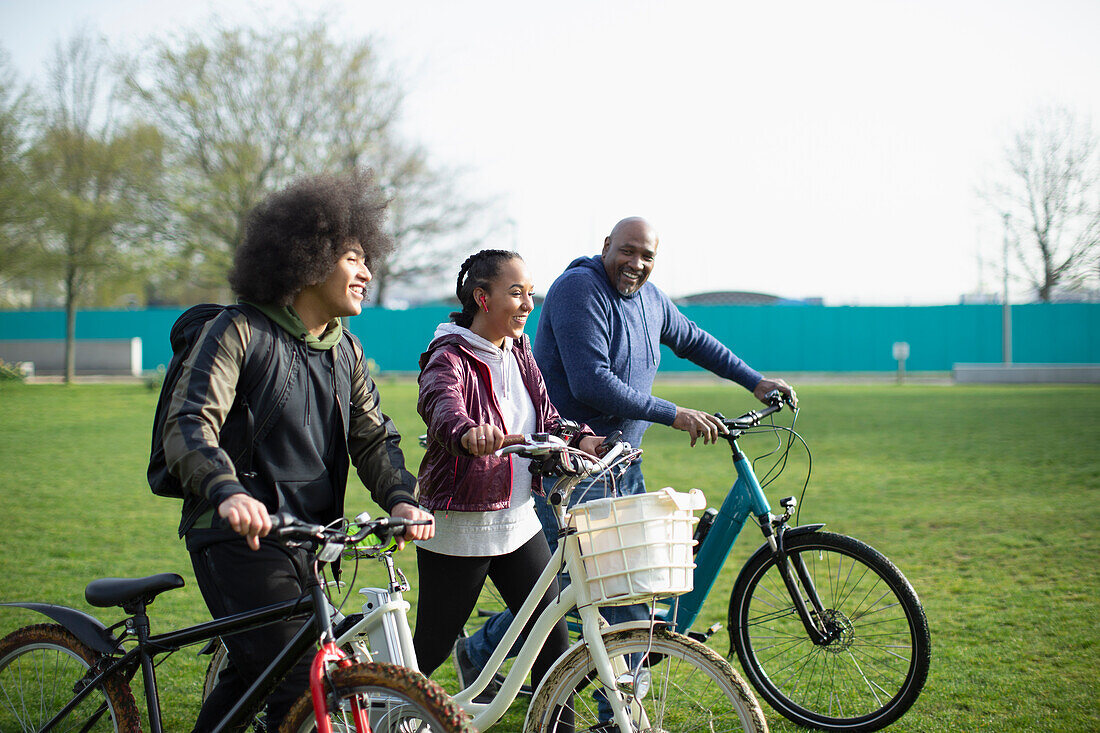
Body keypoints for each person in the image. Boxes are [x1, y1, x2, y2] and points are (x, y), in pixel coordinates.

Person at [459, 216, 797, 688]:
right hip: (569, 467)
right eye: (627, 251)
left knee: (585, 589)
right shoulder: (579, 290)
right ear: (606, 246)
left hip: (621, 463)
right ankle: (619, 708)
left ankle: (481, 651)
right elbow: (591, 381)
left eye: (647, 256)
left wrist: (754, 380)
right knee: (599, 591)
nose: (635, 263)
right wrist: (672, 413)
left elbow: (693, 340)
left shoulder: (652, 300)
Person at [162, 170, 434, 733]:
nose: (367, 273)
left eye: (367, 258)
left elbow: (374, 437)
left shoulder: (346, 350)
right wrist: (228, 490)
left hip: (309, 540)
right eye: (353, 258)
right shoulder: (238, 330)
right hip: (236, 536)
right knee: (304, 688)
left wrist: (402, 500)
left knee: (254, 676)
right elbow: (189, 423)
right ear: (307, 259)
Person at [412, 249, 604, 710]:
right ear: (482, 297)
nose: (526, 304)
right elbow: (441, 407)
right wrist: (466, 432)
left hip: (518, 519)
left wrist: (580, 437)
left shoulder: (517, 348)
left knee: (552, 645)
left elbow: (547, 414)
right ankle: (367, 703)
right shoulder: (449, 356)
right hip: (462, 524)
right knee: (430, 649)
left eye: (530, 294)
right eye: (515, 293)